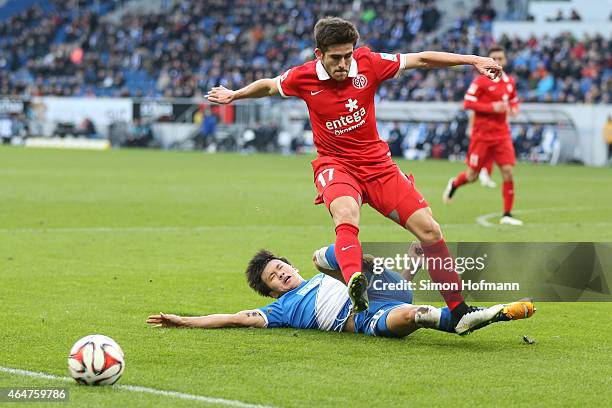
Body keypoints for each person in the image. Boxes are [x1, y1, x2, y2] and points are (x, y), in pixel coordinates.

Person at [206, 17, 505, 334]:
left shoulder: (368, 62)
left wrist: (473, 59)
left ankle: (458, 311)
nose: (344, 64)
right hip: (336, 165)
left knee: (430, 230)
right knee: (346, 214)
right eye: (336, 57)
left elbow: (421, 58)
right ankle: (354, 285)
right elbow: (268, 85)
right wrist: (235, 95)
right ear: (319, 54)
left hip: (378, 166)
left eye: (348, 55)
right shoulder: (302, 77)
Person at [147, 245, 535, 338]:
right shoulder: (281, 310)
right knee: (415, 316)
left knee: (328, 257)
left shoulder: (321, 275)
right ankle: (481, 315)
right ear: (270, 291)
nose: (280, 275)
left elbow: (391, 284)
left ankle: (394, 269)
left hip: (380, 288)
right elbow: (234, 318)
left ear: (289, 266)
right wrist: (184, 320)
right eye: (273, 278)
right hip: (364, 317)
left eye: (280, 267)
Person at [443, 46, 523, 226]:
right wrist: (491, 108)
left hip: (502, 135)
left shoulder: (509, 82)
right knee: (472, 175)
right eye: (494, 58)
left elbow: (514, 101)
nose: (497, 62)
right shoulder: (480, 82)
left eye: (500, 58)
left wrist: (515, 109)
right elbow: (467, 103)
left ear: (505, 61)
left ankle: (507, 214)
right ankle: (454, 184)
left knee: (508, 172)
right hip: (482, 136)